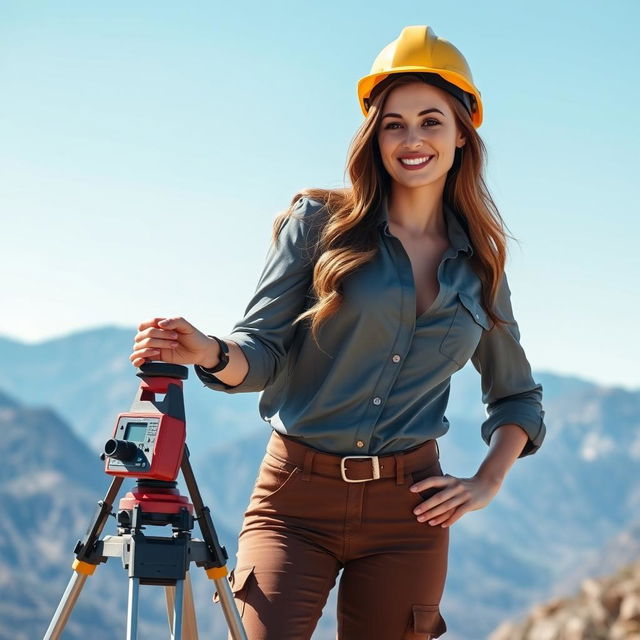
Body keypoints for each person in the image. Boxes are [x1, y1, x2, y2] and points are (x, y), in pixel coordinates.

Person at [130, 24, 546, 640]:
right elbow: (264, 353)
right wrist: (211, 352)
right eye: (393, 123)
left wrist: (486, 481)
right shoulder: (319, 224)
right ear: (373, 134)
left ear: (463, 133)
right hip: (295, 500)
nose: (412, 139)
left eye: (431, 121)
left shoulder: (480, 265)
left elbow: (517, 395)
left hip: (411, 512)